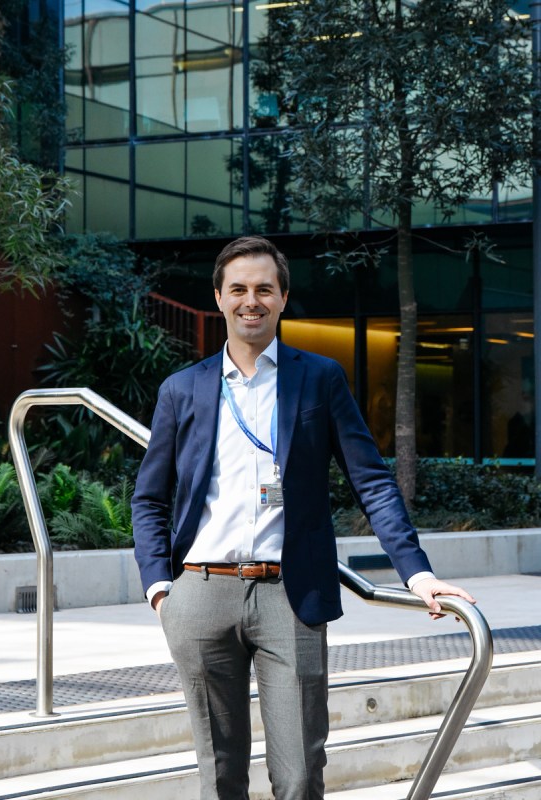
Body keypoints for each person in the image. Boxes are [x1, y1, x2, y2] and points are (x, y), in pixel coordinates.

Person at [131, 235, 475, 800]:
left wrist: (418, 574)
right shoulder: (182, 389)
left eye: (264, 289)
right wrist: (160, 591)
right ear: (219, 297)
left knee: (299, 774)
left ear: (283, 298)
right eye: (238, 289)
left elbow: (371, 480)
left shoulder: (318, 377)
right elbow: (149, 498)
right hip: (200, 592)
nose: (251, 301)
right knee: (219, 774)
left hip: (289, 595)